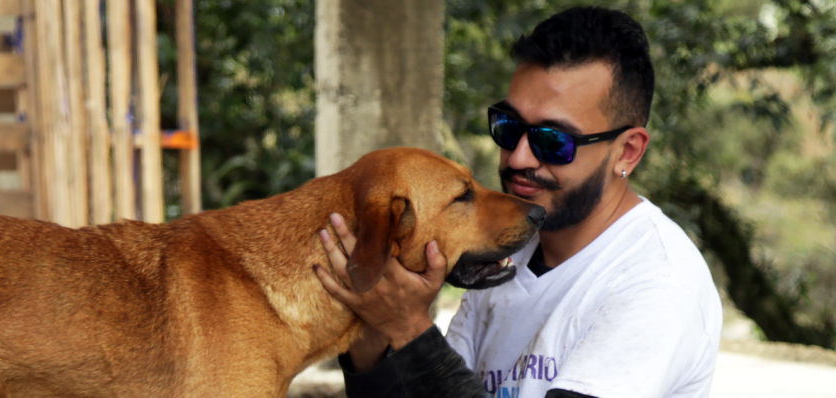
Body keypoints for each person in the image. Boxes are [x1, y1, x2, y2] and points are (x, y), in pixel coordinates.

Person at [310, 7, 723, 398]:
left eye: (553, 140)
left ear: (627, 151)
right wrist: (373, 331)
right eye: (508, 127)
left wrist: (410, 328)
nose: (519, 158)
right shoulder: (511, 251)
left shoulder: (657, 283)